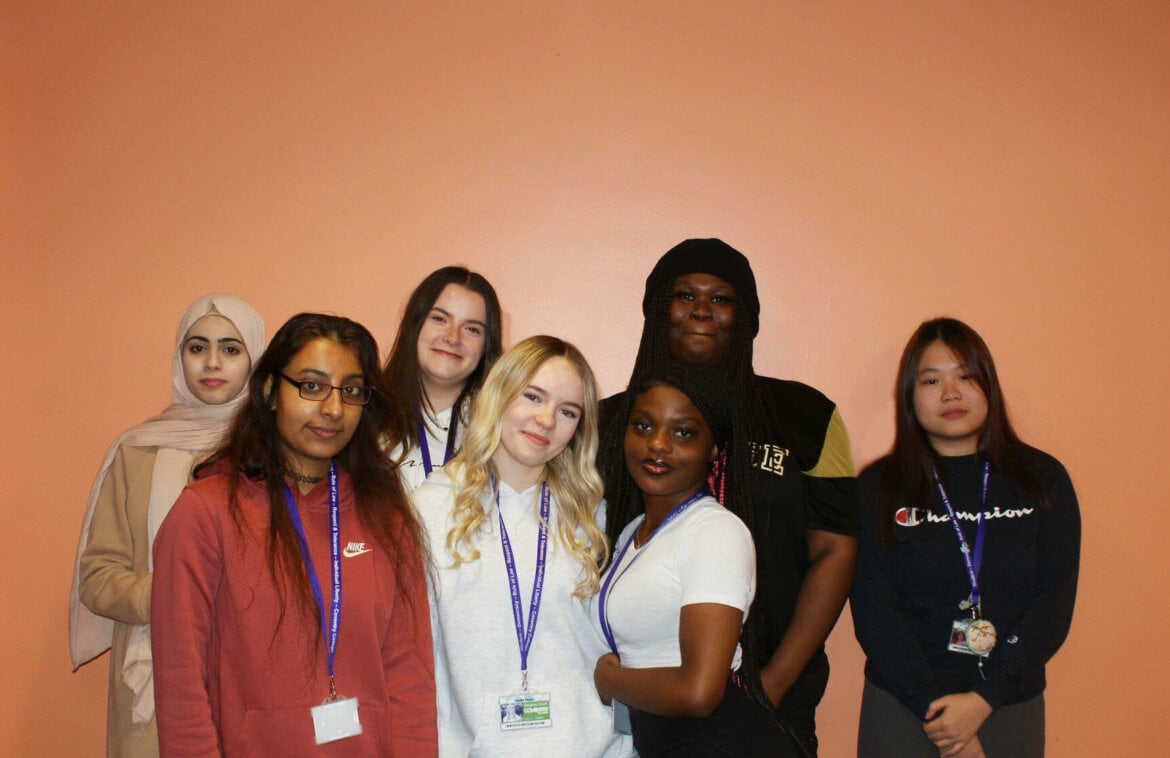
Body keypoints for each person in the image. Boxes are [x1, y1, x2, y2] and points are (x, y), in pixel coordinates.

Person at [599, 238, 857, 755]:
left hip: (776, 700)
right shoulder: (608, 423)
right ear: (656, 310)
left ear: (746, 319)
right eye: (684, 295)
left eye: (721, 299)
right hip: (647, 709)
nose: (700, 310)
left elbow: (835, 552)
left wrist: (773, 683)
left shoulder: (808, 414)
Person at [151, 313, 437, 756]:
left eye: (351, 391)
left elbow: (410, 677)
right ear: (268, 391)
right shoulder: (204, 514)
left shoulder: (386, 517)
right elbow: (181, 687)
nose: (333, 409)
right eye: (311, 386)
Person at [849, 317, 1081, 758]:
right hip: (903, 706)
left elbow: (1053, 604)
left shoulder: (1042, 479)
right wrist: (940, 717)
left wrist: (982, 702)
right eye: (931, 380)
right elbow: (875, 613)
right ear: (908, 396)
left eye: (966, 376)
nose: (950, 393)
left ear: (989, 386)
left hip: (1009, 703)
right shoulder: (878, 487)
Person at [412, 335, 632, 756]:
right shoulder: (429, 507)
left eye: (567, 411)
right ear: (499, 394)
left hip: (591, 746)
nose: (546, 420)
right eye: (533, 397)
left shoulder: (593, 517)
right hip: (471, 746)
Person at [69, 293, 265, 757]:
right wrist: (173, 596)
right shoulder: (136, 451)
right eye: (197, 347)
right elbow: (96, 577)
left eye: (231, 348)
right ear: (179, 358)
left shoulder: (275, 451)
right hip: (156, 684)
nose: (212, 362)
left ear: (255, 359)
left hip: (258, 681)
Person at [594, 363, 805, 757]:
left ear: (713, 449)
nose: (658, 443)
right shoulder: (632, 533)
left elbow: (699, 692)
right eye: (643, 426)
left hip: (719, 743)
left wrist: (609, 681)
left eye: (683, 432)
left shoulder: (715, 532)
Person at [382, 266, 503, 489]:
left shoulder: (500, 431)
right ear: (414, 325)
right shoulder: (368, 414)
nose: (452, 337)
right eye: (439, 319)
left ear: (487, 346)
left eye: (472, 329)